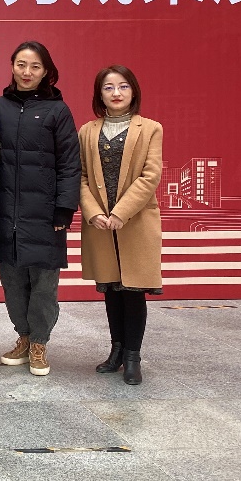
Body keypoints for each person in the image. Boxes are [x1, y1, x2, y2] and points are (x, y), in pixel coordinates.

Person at [0, 42, 81, 377]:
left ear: (46, 72)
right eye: (21, 64)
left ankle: (40, 342)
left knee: (43, 284)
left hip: (44, 214)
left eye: (35, 66)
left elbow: (70, 164)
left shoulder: (58, 111)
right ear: (12, 66)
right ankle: (24, 337)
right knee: (13, 282)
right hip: (5, 213)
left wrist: (64, 208)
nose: (27, 72)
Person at [78, 65, 163, 386]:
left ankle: (132, 356)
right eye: (108, 87)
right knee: (112, 290)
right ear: (99, 95)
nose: (116, 93)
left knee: (133, 291)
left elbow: (150, 176)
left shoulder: (150, 129)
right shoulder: (87, 131)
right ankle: (115, 351)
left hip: (135, 220)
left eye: (123, 86)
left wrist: (121, 212)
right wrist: (93, 212)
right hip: (100, 223)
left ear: (133, 91)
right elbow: (80, 176)